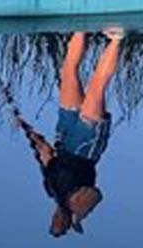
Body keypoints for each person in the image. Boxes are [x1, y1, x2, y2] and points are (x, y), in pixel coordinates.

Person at [27, 30, 123, 236]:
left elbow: (46, 156)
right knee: (96, 86)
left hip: (64, 136)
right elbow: (95, 194)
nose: (57, 219)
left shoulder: (51, 189)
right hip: (84, 148)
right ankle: (117, 38)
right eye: (61, 223)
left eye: (54, 221)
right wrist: (75, 211)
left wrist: (32, 136)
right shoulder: (79, 208)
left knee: (68, 71)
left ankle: (81, 27)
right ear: (68, 223)